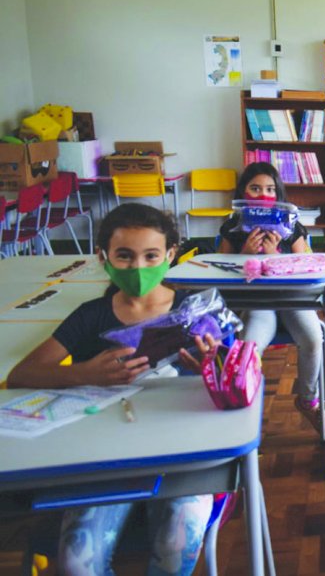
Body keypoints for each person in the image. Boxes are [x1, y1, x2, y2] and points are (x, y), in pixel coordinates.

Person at [8, 204, 218, 575]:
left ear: (170, 255)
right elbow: (22, 374)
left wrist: (210, 370)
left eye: (151, 256)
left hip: (180, 454)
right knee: (76, 561)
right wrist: (86, 373)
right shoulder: (92, 316)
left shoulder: (195, 312)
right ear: (103, 258)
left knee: (176, 546)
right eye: (124, 256)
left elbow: (239, 377)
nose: (138, 268)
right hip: (103, 458)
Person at [219, 162, 325, 435]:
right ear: (243, 191)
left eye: (269, 189)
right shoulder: (234, 225)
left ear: (278, 194)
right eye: (255, 188)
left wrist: (277, 258)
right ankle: (245, 412)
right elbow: (220, 272)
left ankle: (307, 400)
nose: (262, 195)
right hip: (258, 303)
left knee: (314, 338)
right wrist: (244, 254)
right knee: (248, 348)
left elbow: (306, 266)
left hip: (293, 300)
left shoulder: (289, 224)